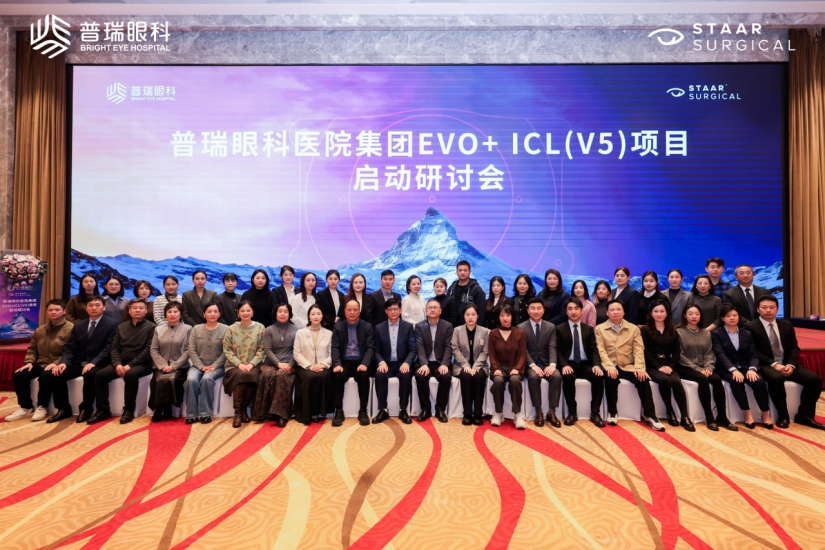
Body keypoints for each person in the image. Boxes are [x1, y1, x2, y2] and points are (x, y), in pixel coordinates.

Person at [745, 295, 824, 430]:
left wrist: (791, 365)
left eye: (772, 307)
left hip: (787, 363)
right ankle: (783, 416)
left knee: (814, 379)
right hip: (765, 364)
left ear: (777, 309)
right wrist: (774, 365)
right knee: (776, 378)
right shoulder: (750, 326)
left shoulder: (786, 324)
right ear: (758, 309)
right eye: (764, 307)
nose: (768, 310)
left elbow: (794, 347)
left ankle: (804, 415)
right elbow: (753, 351)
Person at [594, 299, 664, 431]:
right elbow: (600, 350)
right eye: (612, 310)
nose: (615, 312)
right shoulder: (599, 329)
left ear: (623, 312)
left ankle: (650, 416)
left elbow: (638, 350)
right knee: (610, 377)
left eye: (618, 309)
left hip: (628, 365)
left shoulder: (633, 328)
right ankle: (612, 412)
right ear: (607, 312)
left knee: (643, 378)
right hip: (610, 365)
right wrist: (609, 366)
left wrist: (639, 368)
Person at [6, 300, 74, 422]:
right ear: (47, 312)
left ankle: (42, 406)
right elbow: (32, 349)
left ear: (64, 311)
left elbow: (71, 350)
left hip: (60, 364)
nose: (53, 312)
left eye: (57, 310)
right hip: (42, 363)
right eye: (50, 310)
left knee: (46, 376)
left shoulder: (71, 328)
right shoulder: (40, 330)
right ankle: (26, 408)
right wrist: (29, 362)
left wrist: (57, 363)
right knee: (19, 375)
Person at [91, 298, 156, 425]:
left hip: (142, 364)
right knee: (100, 375)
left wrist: (130, 365)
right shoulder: (122, 327)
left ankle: (128, 410)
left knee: (130, 375)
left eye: (141, 308)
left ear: (146, 311)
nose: (138, 310)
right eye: (135, 308)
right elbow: (114, 348)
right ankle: (103, 410)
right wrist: (117, 364)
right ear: (129, 311)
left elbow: (148, 350)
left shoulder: (152, 327)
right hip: (121, 362)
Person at [57, 296, 118, 424]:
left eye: (97, 305)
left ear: (104, 307)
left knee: (90, 374)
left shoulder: (112, 324)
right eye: (90, 305)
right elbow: (70, 347)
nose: (94, 308)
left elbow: (109, 348)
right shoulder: (78, 325)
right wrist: (64, 362)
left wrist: (93, 362)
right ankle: (64, 409)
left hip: (100, 362)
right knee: (58, 373)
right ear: (86, 308)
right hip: (80, 361)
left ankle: (86, 409)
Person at [675, 304, 737, 431]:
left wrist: (708, 367)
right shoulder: (679, 332)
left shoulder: (706, 333)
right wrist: (698, 369)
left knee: (717, 380)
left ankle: (722, 416)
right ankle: (709, 416)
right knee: (703, 379)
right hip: (686, 368)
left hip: (704, 367)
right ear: (685, 315)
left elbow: (709, 353)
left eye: (697, 314)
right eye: (690, 314)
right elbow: (679, 355)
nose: (694, 316)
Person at [712, 305, 772, 429]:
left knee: (759, 381)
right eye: (728, 316)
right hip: (726, 368)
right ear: (722, 318)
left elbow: (753, 355)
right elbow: (720, 355)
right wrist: (733, 370)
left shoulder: (747, 333)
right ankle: (747, 414)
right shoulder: (716, 333)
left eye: (735, 315)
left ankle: (765, 414)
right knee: (736, 381)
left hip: (745, 366)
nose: (732, 318)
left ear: (739, 317)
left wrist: (752, 369)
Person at [641, 300, 694, 431]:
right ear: (651, 313)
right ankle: (669, 412)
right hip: (652, 365)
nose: (659, 314)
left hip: (669, 364)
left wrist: (670, 366)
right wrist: (658, 366)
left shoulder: (673, 330)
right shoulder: (645, 329)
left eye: (662, 311)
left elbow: (676, 351)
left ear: (667, 313)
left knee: (676, 381)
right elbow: (644, 351)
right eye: (656, 311)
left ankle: (685, 417)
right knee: (664, 380)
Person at [557, 297, 609, 427]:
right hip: (569, 364)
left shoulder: (588, 329)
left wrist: (596, 365)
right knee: (568, 377)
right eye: (570, 309)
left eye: (576, 308)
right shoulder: (559, 329)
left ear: (581, 311)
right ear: (566, 312)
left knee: (598, 376)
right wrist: (564, 365)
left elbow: (594, 350)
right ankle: (572, 413)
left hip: (585, 364)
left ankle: (595, 413)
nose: (573, 312)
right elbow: (557, 351)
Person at [517, 297, 561, 428]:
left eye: (538, 308)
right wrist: (532, 365)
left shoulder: (550, 326)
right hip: (530, 364)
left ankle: (551, 412)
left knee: (557, 376)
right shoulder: (520, 327)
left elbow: (552, 346)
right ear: (528, 311)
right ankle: (538, 412)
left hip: (546, 362)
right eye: (533, 308)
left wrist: (552, 365)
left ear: (543, 310)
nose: (536, 311)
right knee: (533, 377)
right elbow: (523, 349)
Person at [330, 298, 375, 427]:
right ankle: (339, 411)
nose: (352, 312)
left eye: (355, 309)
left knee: (364, 376)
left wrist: (365, 363)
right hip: (344, 362)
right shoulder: (338, 327)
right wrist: (337, 364)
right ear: (345, 311)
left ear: (359, 311)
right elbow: (335, 348)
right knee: (337, 376)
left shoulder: (367, 327)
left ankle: (363, 410)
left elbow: (370, 348)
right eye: (349, 310)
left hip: (360, 362)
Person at [253, 303, 299, 427]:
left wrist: (290, 364)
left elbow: (297, 350)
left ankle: (281, 415)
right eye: (280, 311)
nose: (282, 314)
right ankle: (263, 412)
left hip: (289, 364)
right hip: (271, 363)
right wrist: (278, 364)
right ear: (275, 313)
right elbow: (267, 350)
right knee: (267, 374)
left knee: (282, 376)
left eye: (285, 311)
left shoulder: (296, 330)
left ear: (289, 314)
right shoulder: (269, 330)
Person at [373, 297, 417, 424]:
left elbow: (413, 349)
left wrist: (407, 363)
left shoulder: (408, 327)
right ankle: (383, 410)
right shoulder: (379, 328)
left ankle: (403, 410)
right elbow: (376, 350)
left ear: (400, 310)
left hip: (402, 363)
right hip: (386, 364)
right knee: (379, 374)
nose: (393, 312)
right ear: (386, 311)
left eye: (395, 309)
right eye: (390, 309)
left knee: (406, 375)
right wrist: (381, 362)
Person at [222, 300, 265, 428]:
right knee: (240, 375)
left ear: (253, 312)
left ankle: (243, 409)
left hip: (254, 365)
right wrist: (239, 364)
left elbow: (262, 349)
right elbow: (227, 350)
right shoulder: (231, 328)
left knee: (251, 375)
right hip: (233, 365)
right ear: (238, 313)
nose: (245, 313)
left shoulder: (260, 328)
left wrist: (251, 364)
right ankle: (238, 413)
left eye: (248, 310)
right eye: (242, 310)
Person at [185, 302, 227, 425]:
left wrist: (214, 366)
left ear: (219, 314)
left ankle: (205, 413)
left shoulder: (226, 329)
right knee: (190, 380)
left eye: (215, 311)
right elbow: (191, 350)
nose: (212, 314)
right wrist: (201, 366)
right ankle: (191, 414)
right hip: (198, 365)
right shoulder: (196, 329)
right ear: (204, 314)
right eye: (209, 311)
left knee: (207, 378)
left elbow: (226, 351)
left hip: (218, 366)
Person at [148, 302, 192, 422]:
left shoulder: (188, 329)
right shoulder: (158, 329)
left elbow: (188, 350)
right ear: (165, 314)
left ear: (180, 314)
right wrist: (163, 365)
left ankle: (168, 405)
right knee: (157, 379)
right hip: (160, 366)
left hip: (180, 366)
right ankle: (159, 408)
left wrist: (173, 366)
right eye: (169, 312)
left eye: (175, 311)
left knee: (173, 378)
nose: (172, 314)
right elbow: (153, 349)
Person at [414, 298, 454, 423]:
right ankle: (425, 409)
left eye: (435, 307)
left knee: (446, 377)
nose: (432, 310)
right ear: (426, 311)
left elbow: (448, 347)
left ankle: (440, 409)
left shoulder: (447, 326)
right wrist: (423, 364)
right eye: (430, 308)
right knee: (420, 376)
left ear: (440, 311)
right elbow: (419, 346)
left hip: (440, 363)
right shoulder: (419, 326)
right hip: (425, 362)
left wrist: (445, 364)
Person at [489, 304, 527, 429]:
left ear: (512, 316)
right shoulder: (493, 333)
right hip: (498, 367)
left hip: (515, 367)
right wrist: (496, 369)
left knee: (515, 380)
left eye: (508, 315)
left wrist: (517, 368)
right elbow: (492, 354)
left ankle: (517, 414)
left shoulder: (520, 333)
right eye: (502, 315)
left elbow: (522, 354)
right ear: (498, 317)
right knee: (498, 381)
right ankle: (499, 413)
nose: (505, 318)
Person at [293, 304, 332, 425]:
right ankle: (308, 412)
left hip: (323, 366)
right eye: (313, 314)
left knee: (322, 376)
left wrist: (323, 365)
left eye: (318, 314)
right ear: (309, 316)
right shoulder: (300, 333)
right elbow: (297, 354)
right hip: (305, 366)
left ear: (322, 316)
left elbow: (332, 354)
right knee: (310, 377)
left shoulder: (329, 333)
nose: (316, 316)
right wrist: (310, 366)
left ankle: (319, 412)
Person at [452, 304, 489, 425]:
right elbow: (455, 349)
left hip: (480, 366)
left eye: (473, 314)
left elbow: (485, 351)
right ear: (464, 316)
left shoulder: (484, 331)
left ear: (478, 316)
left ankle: (478, 413)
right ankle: (467, 413)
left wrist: (476, 367)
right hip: (461, 366)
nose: (470, 317)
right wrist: (466, 366)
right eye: (467, 314)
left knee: (479, 376)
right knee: (466, 376)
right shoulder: (457, 330)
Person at [446, 260, 487, 327]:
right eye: (460, 270)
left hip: (470, 327)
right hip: (453, 327)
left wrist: (477, 328)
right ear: (456, 272)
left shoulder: (476, 290)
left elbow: (481, 311)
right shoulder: (452, 288)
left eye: (465, 270)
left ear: (469, 272)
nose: (462, 272)